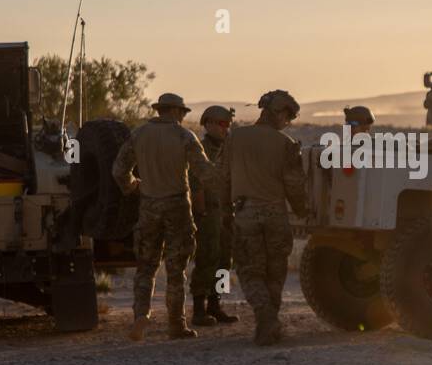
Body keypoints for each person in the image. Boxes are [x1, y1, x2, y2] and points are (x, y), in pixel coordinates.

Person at [112, 92, 214, 342]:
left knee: (145, 267)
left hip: (148, 205)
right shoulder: (184, 136)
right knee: (176, 269)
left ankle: (140, 316)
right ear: (177, 112)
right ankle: (176, 325)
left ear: (159, 110)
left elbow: (118, 170)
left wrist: (132, 185)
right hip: (177, 205)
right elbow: (205, 173)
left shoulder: (139, 134)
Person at [218, 90, 308, 345]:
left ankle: (265, 319)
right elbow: (294, 186)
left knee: (249, 272)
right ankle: (270, 322)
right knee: (275, 272)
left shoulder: (235, 138)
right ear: (278, 112)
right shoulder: (286, 144)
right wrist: (302, 211)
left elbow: (222, 178)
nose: (287, 122)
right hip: (276, 215)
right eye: (288, 116)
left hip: (245, 214)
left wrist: (225, 211)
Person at [190, 105, 238, 327]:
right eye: (221, 124)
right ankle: (199, 309)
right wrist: (201, 212)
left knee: (224, 260)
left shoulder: (230, 149)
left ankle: (215, 303)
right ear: (208, 123)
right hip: (208, 212)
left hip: (226, 211)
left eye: (227, 124)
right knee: (207, 258)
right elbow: (196, 182)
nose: (225, 129)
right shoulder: (201, 149)